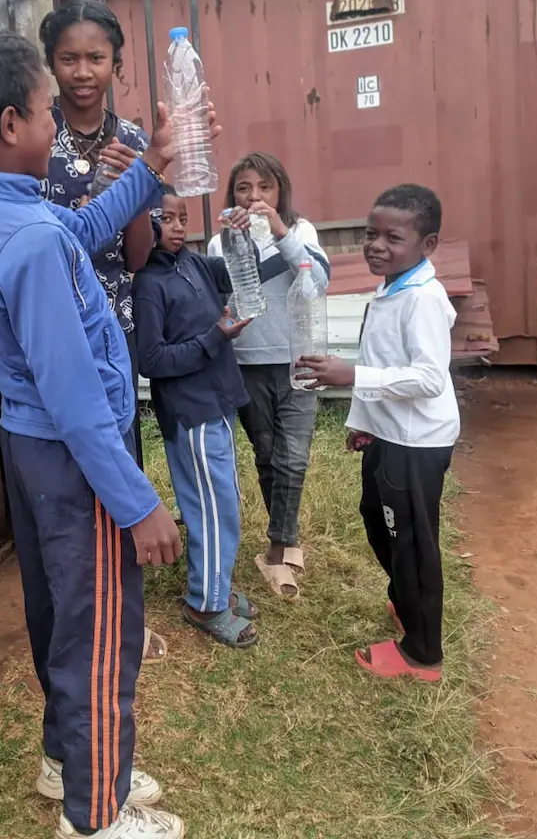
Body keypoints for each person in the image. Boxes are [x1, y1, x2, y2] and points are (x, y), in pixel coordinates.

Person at [0, 29, 205, 839]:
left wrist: (151, 169)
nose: (62, 122)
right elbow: (77, 397)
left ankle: (65, 762)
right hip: (75, 459)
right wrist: (137, 501)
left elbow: (75, 235)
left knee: (59, 619)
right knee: (100, 639)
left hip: (31, 451)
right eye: (50, 109)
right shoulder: (31, 237)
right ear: (13, 123)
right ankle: (96, 817)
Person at [39, 0, 169, 666]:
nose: (83, 71)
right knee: (64, 478)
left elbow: (141, 257)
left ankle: (126, 619)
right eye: (69, 58)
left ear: (116, 61)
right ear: (52, 64)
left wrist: (132, 191)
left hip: (111, 330)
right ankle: (74, 618)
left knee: (118, 467)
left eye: (96, 57)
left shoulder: (137, 141)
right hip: (50, 329)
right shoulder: (36, 140)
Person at [296, 184, 459, 683]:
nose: (377, 245)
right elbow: (382, 359)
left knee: (412, 543)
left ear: (427, 245)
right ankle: (406, 600)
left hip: (417, 443)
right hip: (389, 437)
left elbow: (429, 379)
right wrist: (363, 423)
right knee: (376, 517)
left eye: (393, 237)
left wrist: (353, 379)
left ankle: (422, 652)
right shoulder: (392, 286)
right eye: (371, 234)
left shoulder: (423, 300)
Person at [134, 190, 261, 649]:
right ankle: (204, 603)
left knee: (222, 501)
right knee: (210, 507)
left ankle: (216, 585)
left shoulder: (192, 264)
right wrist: (213, 338)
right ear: (144, 223)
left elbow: (247, 277)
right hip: (191, 410)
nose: (176, 226)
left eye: (182, 218)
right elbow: (150, 359)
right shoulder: (148, 283)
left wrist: (239, 238)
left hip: (217, 400)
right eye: (165, 218)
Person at [207, 153, 330, 598]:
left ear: (280, 192)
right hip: (247, 363)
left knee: (293, 457)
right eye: (244, 188)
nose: (254, 197)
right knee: (266, 454)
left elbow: (318, 280)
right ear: (232, 195)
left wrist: (280, 234)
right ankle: (283, 540)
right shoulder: (220, 243)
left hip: (299, 358)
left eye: (264, 187)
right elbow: (219, 298)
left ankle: (280, 548)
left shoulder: (301, 231)